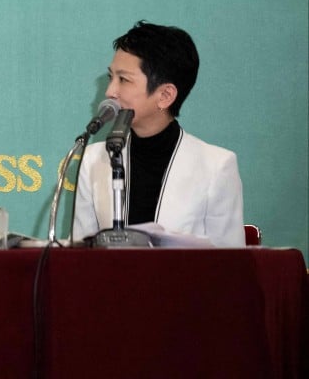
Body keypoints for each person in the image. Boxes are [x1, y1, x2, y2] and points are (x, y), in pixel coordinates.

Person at [72, 21, 245, 247]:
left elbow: (230, 265)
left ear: (165, 95)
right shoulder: (94, 159)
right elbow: (79, 255)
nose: (110, 91)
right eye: (110, 77)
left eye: (123, 80)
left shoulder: (216, 166)